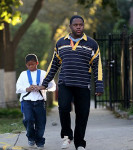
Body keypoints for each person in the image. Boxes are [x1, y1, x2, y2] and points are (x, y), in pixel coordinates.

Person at [38, 15, 104, 150]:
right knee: (63, 108)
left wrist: (99, 85)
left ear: (83, 26)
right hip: (65, 83)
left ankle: (79, 143)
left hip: (83, 84)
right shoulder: (61, 43)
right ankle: (68, 135)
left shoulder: (92, 44)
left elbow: (97, 66)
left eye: (81, 24)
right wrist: (45, 83)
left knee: (82, 113)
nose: (78, 27)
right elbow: (54, 64)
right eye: (76, 25)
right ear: (70, 26)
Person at [16, 54, 56, 149]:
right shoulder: (23, 74)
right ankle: (31, 137)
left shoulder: (43, 73)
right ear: (26, 65)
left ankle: (40, 141)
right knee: (28, 119)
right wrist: (27, 89)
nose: (31, 66)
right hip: (27, 101)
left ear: (37, 63)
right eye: (29, 65)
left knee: (41, 123)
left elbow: (53, 86)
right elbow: (18, 88)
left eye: (33, 64)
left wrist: (42, 87)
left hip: (40, 102)